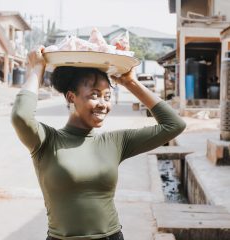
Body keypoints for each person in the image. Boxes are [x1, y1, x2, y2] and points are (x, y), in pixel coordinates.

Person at [11, 46, 186, 240]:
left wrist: (131, 82)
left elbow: (174, 125)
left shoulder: (116, 142)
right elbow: (21, 115)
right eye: (94, 95)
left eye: (107, 96)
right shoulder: (47, 141)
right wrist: (37, 69)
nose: (103, 104)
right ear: (71, 97)